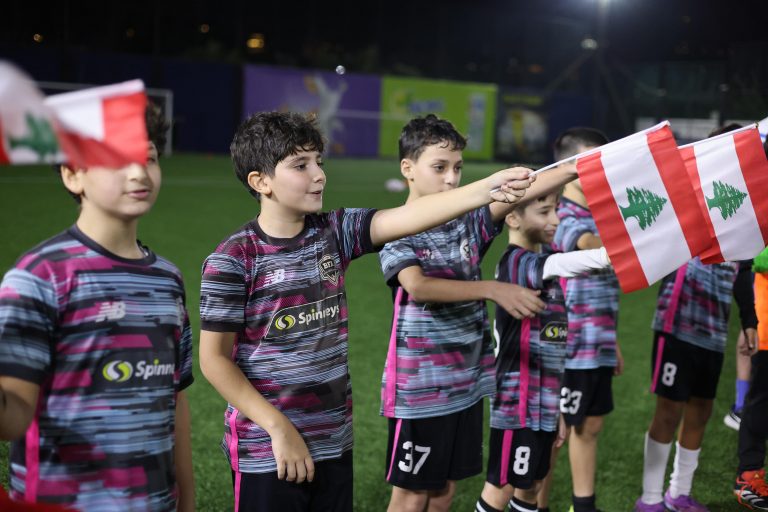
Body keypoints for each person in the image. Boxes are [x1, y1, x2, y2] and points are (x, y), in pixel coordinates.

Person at [197, 111, 542, 512]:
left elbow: (409, 216)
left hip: (334, 438)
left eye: (318, 162)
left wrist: (489, 187)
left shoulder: (334, 232)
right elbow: (214, 359)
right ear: (261, 182)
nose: (319, 175)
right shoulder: (233, 259)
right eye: (300, 165)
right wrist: (277, 427)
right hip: (267, 446)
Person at [378, 114, 579, 512]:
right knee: (411, 494)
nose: (451, 179)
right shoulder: (395, 227)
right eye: (439, 167)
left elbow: (523, 191)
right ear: (408, 168)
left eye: (457, 168)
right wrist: (491, 289)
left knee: (444, 492)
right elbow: (418, 286)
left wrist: (577, 168)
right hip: (421, 389)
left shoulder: (467, 224)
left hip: (467, 383)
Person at [0, 104, 195, 511]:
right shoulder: (40, 277)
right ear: (73, 175)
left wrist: (186, 500)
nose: (139, 173)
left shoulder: (168, 279)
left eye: (149, 158)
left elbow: (175, 399)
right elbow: (13, 416)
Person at [634, 125, 758, 512]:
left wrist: (749, 321)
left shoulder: (742, 210)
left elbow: (743, 271)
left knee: (701, 410)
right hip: (678, 323)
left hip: (715, 328)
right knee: (668, 409)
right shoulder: (686, 194)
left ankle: (679, 493)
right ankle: (650, 499)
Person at [474, 192, 611, 512]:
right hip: (517, 404)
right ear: (512, 218)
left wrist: (556, 408)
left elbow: (551, 351)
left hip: (543, 402)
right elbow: (563, 263)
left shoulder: (541, 268)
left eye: (556, 211)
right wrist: (612, 253)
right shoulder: (516, 262)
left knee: (531, 488)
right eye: (544, 212)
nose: (555, 220)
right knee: (500, 489)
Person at [536, 127, 619, 512]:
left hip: (597, 342)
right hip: (566, 347)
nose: (597, 168)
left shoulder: (600, 214)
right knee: (556, 434)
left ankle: (583, 506)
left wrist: (612, 342)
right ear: (567, 167)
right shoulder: (558, 214)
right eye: (588, 160)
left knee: (590, 426)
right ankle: (535, 506)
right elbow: (588, 245)